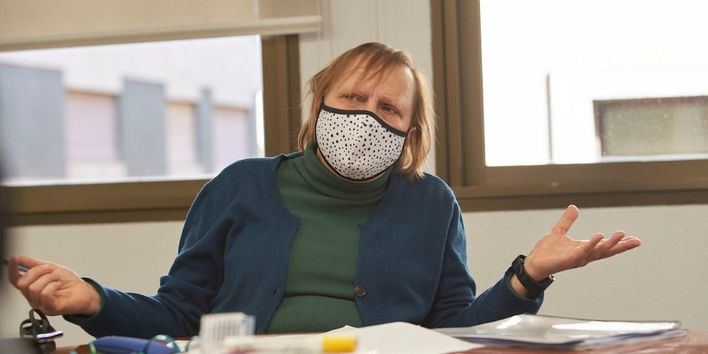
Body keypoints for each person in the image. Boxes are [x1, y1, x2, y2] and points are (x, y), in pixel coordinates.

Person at [7, 42, 641, 338]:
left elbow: (453, 331)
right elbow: (178, 315)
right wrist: (91, 297)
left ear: (410, 131)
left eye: (389, 109)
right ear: (319, 106)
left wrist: (527, 277)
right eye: (353, 98)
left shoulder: (431, 203)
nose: (368, 117)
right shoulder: (240, 186)